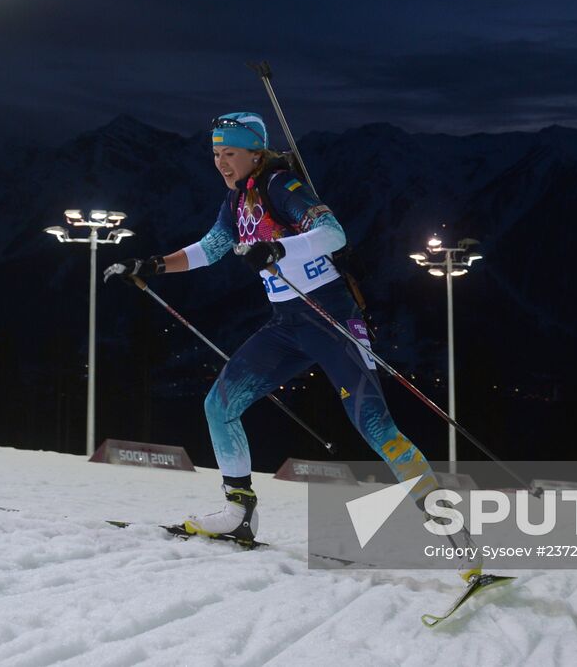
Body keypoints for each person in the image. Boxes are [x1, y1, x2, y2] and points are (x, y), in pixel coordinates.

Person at [104, 112, 453, 556]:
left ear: (255, 152)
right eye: (215, 154)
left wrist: (275, 247)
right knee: (219, 405)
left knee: (376, 427)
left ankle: (452, 533)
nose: (221, 163)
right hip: (287, 326)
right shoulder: (234, 203)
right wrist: (151, 265)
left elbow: (332, 234)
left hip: (331, 321)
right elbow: (209, 249)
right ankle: (238, 515)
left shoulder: (279, 185)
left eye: (230, 153)